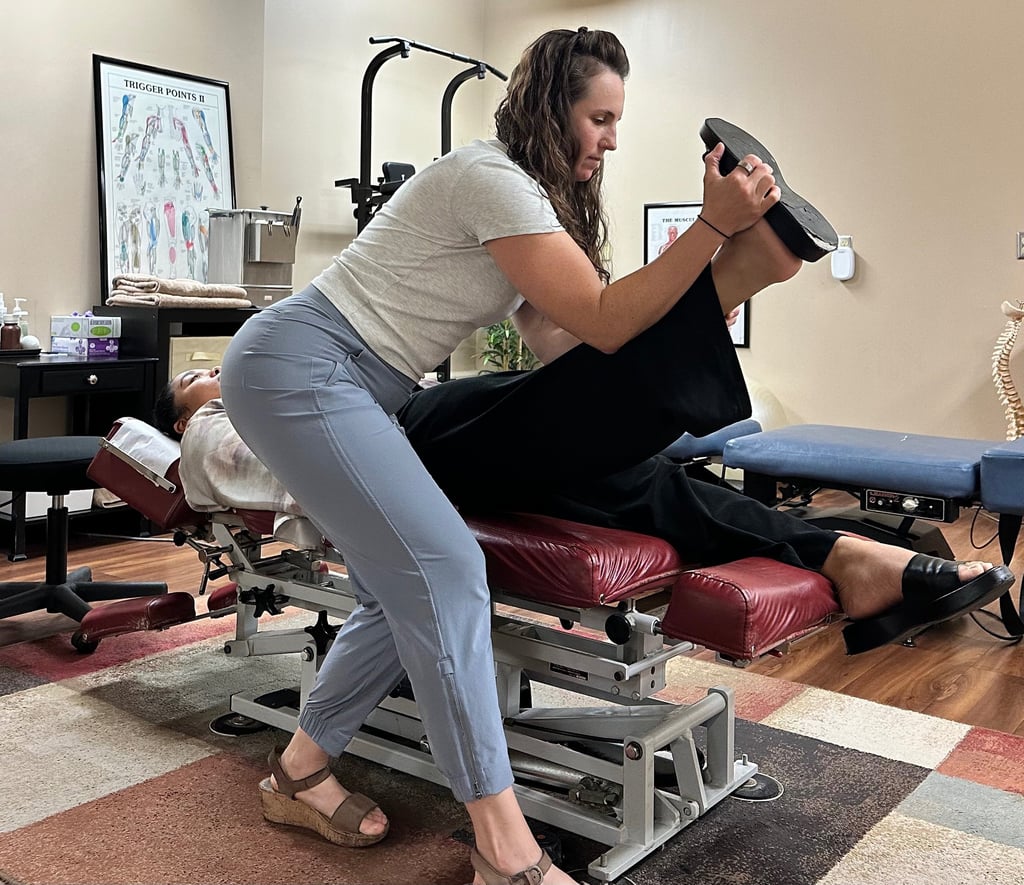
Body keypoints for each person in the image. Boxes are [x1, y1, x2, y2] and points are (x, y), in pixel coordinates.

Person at [196, 27, 1010, 885]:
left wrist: (717, 278)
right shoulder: (487, 178)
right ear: (553, 106)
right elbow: (607, 319)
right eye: (601, 117)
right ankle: (503, 848)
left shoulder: (527, 211)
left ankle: (296, 770)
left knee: (418, 576)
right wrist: (709, 233)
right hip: (300, 366)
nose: (612, 139)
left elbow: (574, 353)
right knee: (446, 569)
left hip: (375, 395)